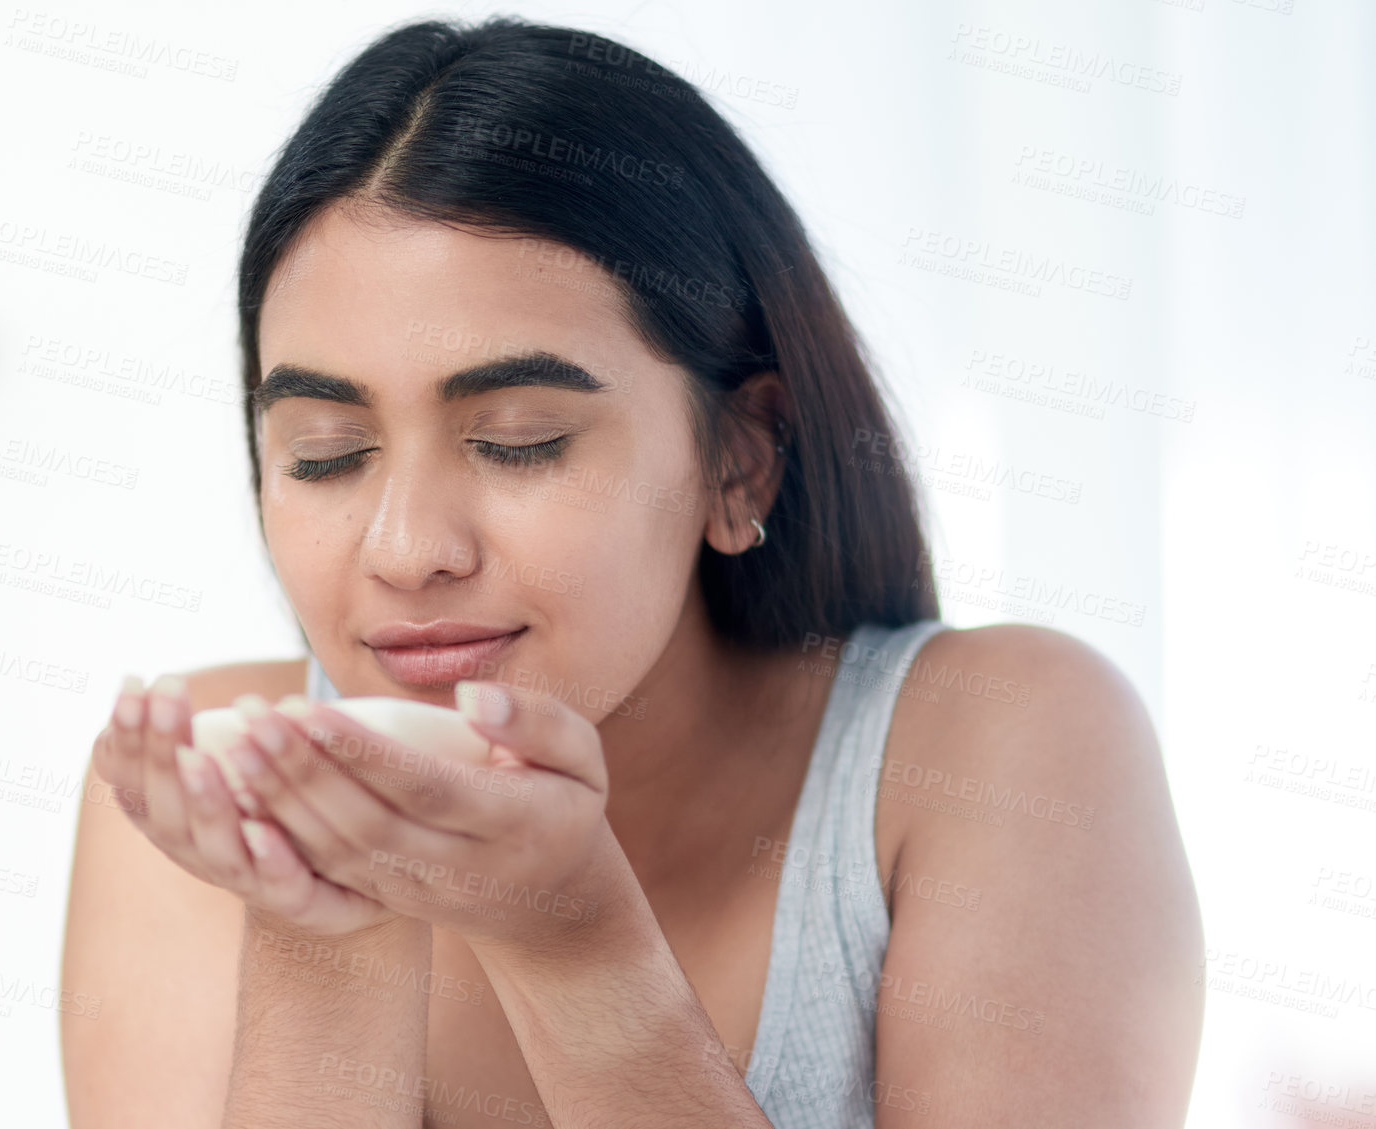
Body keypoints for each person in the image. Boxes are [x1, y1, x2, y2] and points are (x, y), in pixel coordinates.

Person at [61, 16, 1203, 1128]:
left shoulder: (1006, 743)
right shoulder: (205, 794)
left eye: (519, 440)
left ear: (740, 460)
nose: (408, 550)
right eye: (327, 455)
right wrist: (329, 938)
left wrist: (578, 948)